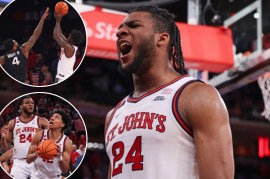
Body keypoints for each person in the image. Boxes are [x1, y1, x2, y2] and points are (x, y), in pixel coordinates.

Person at [104, 5, 234, 179]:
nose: (120, 33)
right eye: (120, 29)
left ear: (162, 39)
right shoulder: (113, 115)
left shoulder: (196, 96)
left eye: (133, 26)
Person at [0, 95, 49, 178]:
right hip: (19, 163)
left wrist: (43, 136)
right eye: (27, 103)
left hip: (38, 161)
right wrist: (3, 138)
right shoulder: (13, 123)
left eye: (32, 103)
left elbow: (52, 138)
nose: (31, 104)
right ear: (21, 107)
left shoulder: (42, 121)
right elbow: (6, 147)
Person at [0, 8, 49, 83]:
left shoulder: (3, 58)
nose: (16, 42)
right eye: (15, 42)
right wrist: (42, 19)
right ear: (13, 46)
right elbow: (35, 35)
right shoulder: (23, 49)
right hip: (21, 82)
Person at [26, 110, 73, 179]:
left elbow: (65, 170)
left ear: (62, 124)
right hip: (37, 176)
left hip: (55, 177)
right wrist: (37, 153)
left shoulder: (67, 142)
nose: (52, 118)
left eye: (56, 117)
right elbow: (28, 160)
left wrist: (60, 157)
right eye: (52, 116)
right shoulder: (39, 135)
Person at [53, 12, 84, 83]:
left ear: (72, 39)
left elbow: (55, 36)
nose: (68, 36)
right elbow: (60, 33)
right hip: (61, 75)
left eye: (70, 36)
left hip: (64, 77)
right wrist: (58, 20)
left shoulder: (69, 48)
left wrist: (58, 21)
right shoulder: (68, 44)